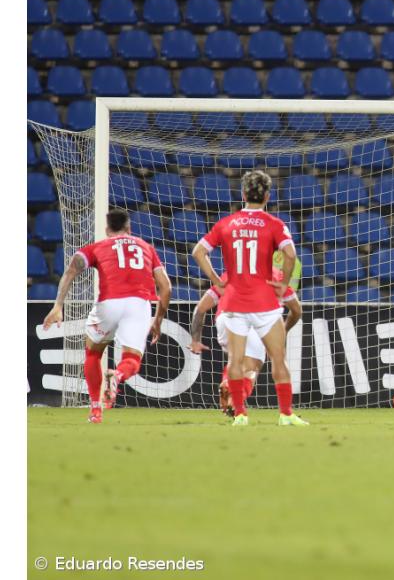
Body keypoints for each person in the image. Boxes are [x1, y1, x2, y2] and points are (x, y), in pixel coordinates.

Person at [192, 170, 307, 426]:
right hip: (264, 301)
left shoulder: (227, 223)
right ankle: (286, 415)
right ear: (267, 195)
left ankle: (241, 414)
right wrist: (283, 283)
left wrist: (215, 279)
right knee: (278, 359)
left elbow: (198, 251)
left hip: (233, 302)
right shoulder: (275, 224)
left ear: (243, 194)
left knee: (235, 360)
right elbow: (290, 254)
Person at [42, 208, 171, 423]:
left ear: (106, 229)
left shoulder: (97, 247)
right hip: (139, 305)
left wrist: (58, 306)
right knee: (132, 359)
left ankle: (95, 410)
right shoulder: (147, 248)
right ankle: (118, 376)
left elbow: (70, 271)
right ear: (129, 228)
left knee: (93, 353)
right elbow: (166, 287)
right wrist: (157, 321)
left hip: (109, 303)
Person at [188, 267, 301, 418]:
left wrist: (195, 339)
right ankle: (235, 398)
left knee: (236, 361)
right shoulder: (274, 274)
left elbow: (200, 308)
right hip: (256, 317)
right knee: (252, 368)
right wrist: (282, 331)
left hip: (224, 319)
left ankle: (230, 393)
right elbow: (297, 310)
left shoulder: (230, 273)